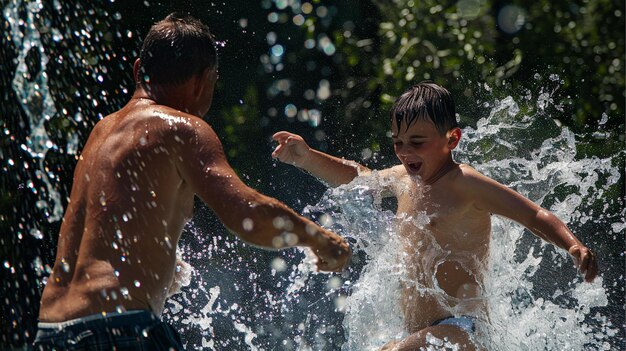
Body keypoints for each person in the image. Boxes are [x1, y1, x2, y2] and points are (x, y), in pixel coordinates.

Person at [33, 13, 351, 350]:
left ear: (138, 69)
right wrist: (316, 237)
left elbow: (105, 240)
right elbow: (246, 214)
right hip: (121, 331)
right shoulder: (181, 127)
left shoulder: (101, 132)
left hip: (51, 331)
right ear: (202, 81)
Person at [271, 81, 598, 350]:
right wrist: (307, 157)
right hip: (417, 333)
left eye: (417, 141)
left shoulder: (466, 185)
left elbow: (535, 215)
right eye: (398, 142)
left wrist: (572, 246)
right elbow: (359, 179)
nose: (405, 151)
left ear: (451, 139)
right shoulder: (403, 179)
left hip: (460, 331)